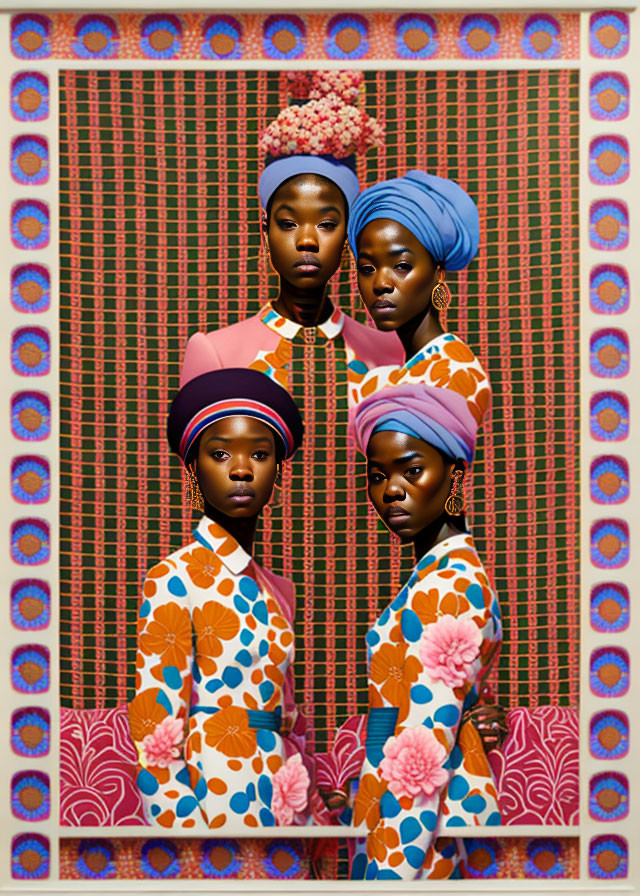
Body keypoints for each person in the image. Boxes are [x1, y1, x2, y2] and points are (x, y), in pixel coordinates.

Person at [180, 71, 404, 752]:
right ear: (265, 228)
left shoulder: (391, 352)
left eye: (328, 223)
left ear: (351, 235)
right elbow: (205, 531)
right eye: (289, 222)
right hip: (253, 634)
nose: (307, 240)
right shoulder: (216, 352)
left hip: (370, 601)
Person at [128, 367, 321, 830]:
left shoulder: (280, 590)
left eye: (259, 453)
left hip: (285, 801)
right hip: (215, 800)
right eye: (220, 454)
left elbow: (289, 718)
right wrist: (189, 844)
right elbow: (154, 733)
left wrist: (314, 806)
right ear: (194, 468)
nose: (240, 469)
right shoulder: (173, 578)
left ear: (277, 468)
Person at [348, 381, 502, 880]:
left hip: (422, 831)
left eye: (412, 470)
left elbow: (424, 750)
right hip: (408, 808)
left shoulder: (448, 587)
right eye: (377, 476)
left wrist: (390, 874)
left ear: (454, 473)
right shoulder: (438, 577)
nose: (391, 490)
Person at [346, 170, 490, 430]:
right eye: (367, 269)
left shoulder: (452, 374)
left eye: (401, 266)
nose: (380, 284)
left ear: (438, 273)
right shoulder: (375, 363)